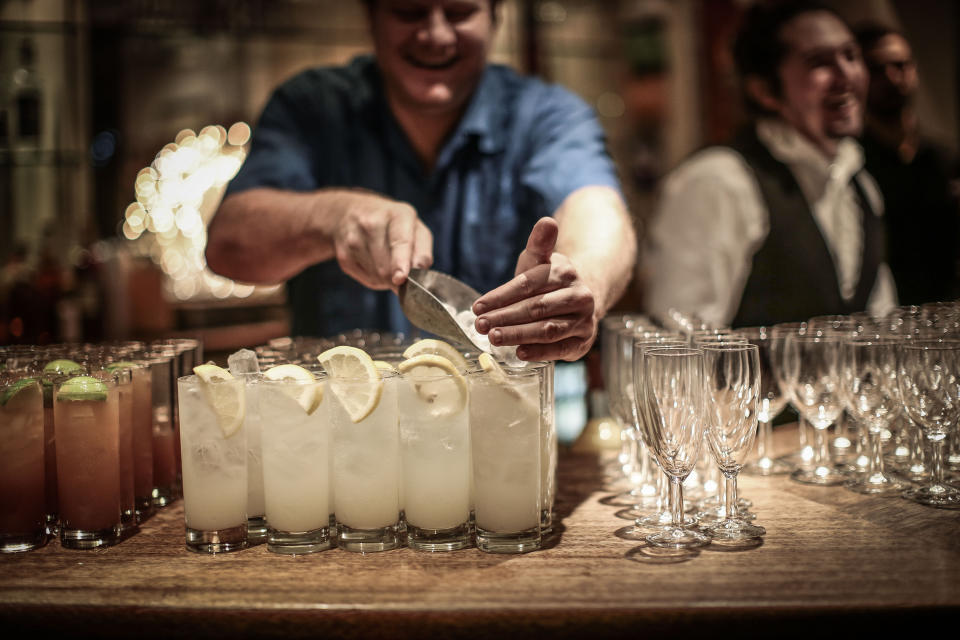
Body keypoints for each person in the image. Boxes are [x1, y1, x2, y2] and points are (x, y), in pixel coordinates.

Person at [205, 0, 636, 362]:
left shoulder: (544, 115)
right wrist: (333, 216)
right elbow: (228, 246)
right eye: (410, 11)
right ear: (371, 17)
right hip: (341, 431)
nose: (436, 35)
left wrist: (585, 280)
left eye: (460, 11)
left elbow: (598, 211)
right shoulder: (311, 107)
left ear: (495, 16)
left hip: (498, 430)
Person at [641, 0, 897, 329]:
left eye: (851, 55)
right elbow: (680, 342)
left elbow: (882, 320)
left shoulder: (861, 185)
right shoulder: (717, 181)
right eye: (819, 62)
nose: (846, 76)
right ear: (764, 90)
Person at [855, 22, 960, 305]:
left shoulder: (944, 157)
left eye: (901, 65)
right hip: (882, 316)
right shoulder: (852, 163)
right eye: (877, 68)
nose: (892, 77)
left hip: (945, 309)